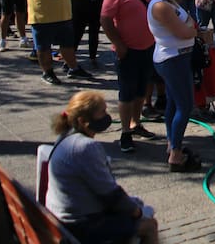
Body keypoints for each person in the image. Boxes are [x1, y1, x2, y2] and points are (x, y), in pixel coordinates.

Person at [46, 91, 159, 244]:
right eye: (102, 112)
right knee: (149, 226)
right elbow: (110, 194)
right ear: (83, 121)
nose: (107, 116)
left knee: (132, 213)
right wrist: (137, 211)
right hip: (80, 225)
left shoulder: (65, 137)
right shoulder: (85, 147)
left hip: (62, 217)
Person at [100, 0, 158, 153]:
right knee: (127, 92)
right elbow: (106, 20)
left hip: (148, 47)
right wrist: (118, 43)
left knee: (142, 90)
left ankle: (136, 122)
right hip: (127, 51)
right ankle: (125, 132)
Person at [147, 0, 202, 172]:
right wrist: (194, 32)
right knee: (185, 106)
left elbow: (188, 25)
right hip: (172, 59)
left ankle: (173, 143)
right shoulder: (160, 5)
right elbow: (184, 31)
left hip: (179, 58)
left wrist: (191, 29)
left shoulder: (169, 1)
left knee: (172, 102)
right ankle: (176, 154)